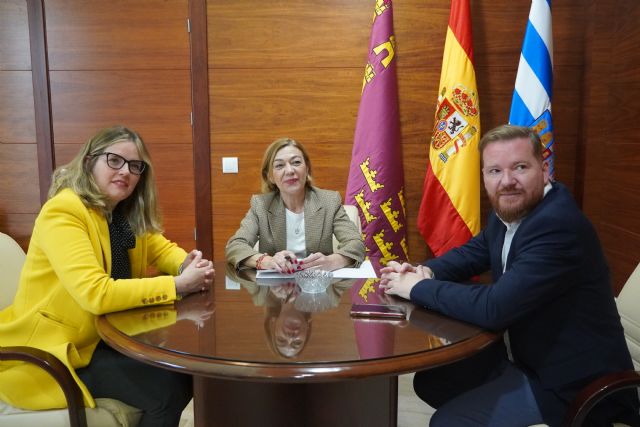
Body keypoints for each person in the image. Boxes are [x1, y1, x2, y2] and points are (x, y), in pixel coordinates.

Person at [380, 124, 638, 426]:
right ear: (484, 177)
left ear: (544, 170)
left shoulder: (558, 226)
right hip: (529, 359)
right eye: (494, 171)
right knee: (432, 382)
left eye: (520, 167)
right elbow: (472, 254)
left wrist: (417, 287)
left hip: (574, 385)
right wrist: (424, 271)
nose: (507, 181)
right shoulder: (512, 214)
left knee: (448, 423)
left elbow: (495, 308)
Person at [0, 126, 214, 427]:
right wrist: (177, 284)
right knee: (165, 392)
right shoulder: (64, 212)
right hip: (56, 352)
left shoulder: (123, 215)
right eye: (114, 160)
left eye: (135, 166)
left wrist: (189, 265)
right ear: (89, 162)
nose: (125, 171)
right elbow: (96, 293)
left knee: (185, 376)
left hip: (104, 340)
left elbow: (161, 249)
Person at [225, 137, 365, 272]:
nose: (290, 171)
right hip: (274, 292)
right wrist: (266, 261)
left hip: (318, 289)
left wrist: (332, 261)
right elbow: (235, 246)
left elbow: (356, 244)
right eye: (279, 165)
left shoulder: (329, 201)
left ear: (307, 169)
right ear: (270, 176)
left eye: (296, 162)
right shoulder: (261, 205)